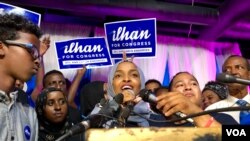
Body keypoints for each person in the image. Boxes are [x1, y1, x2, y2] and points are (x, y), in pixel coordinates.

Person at [0, 13, 42, 140]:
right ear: (1, 48)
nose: (37, 61)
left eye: (38, 55)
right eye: (32, 51)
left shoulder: (28, 111)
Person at [153, 72, 237, 127]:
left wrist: (194, 110)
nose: (188, 87)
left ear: (201, 95)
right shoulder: (161, 128)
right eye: (180, 85)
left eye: (193, 84)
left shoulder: (222, 118)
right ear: (170, 94)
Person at [89, 58, 151, 127]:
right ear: (111, 84)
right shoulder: (99, 114)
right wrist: (121, 111)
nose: (126, 79)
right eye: (118, 75)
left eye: (134, 75)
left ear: (141, 82)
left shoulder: (156, 119)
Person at [205, 55, 250, 124]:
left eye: (239, 67)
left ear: (249, 74)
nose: (233, 72)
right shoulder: (212, 111)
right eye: (227, 70)